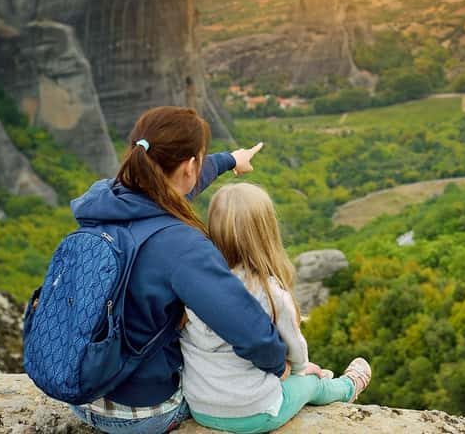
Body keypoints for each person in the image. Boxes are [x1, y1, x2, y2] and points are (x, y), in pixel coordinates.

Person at [66, 106, 287, 434]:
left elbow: (168, 191)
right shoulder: (181, 245)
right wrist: (280, 365)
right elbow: (249, 330)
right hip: (142, 413)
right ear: (189, 166)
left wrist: (229, 160)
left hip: (80, 393)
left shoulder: (104, 200)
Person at [181, 183, 372, 433]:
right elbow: (295, 347)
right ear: (267, 234)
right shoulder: (270, 292)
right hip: (255, 411)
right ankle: (347, 387)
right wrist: (303, 369)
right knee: (313, 383)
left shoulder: (195, 283)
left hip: (201, 406)